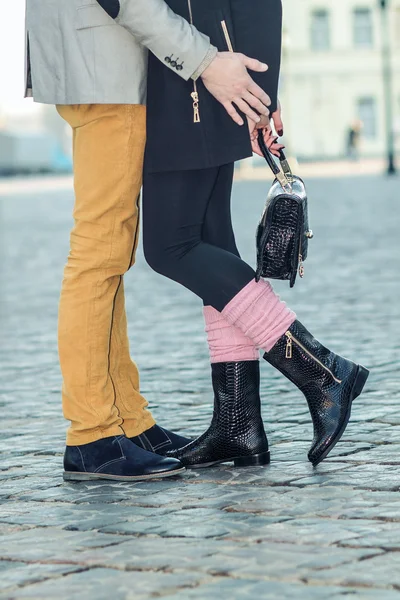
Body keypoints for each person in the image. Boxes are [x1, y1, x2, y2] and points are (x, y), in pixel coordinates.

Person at [25, 0, 274, 482]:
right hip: (105, 69)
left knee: (111, 251)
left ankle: (126, 421)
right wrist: (204, 61)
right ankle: (92, 434)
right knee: (99, 251)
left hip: (103, 65)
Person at [142, 0, 370, 468]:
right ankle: (237, 425)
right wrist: (261, 94)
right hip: (200, 70)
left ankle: (322, 372)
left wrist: (260, 93)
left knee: (172, 246)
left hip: (200, 76)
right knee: (209, 243)